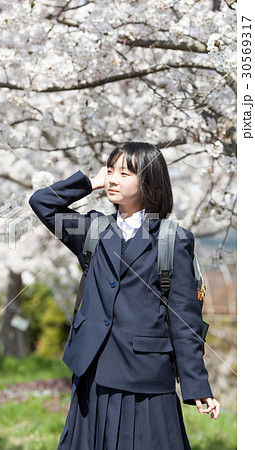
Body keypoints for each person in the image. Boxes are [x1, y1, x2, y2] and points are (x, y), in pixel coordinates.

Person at [28, 142, 220, 450]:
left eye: (125, 173)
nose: (113, 179)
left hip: (144, 383)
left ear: (149, 181)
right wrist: (92, 181)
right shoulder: (93, 230)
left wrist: (198, 386)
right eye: (111, 170)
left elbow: (185, 322)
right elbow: (42, 202)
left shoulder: (172, 240)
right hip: (92, 377)